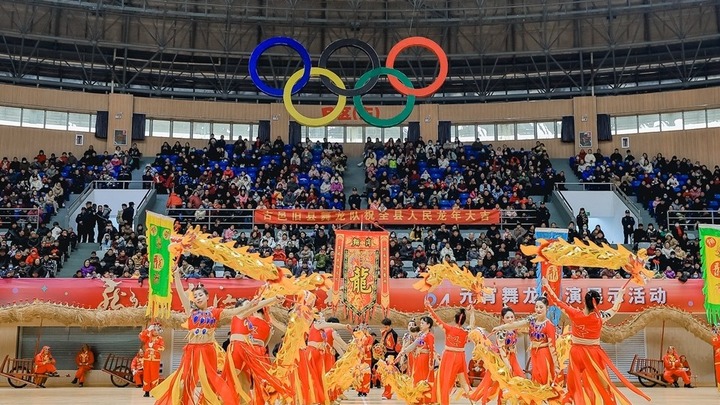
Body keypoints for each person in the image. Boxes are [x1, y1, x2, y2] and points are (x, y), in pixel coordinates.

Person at [542, 279, 651, 403]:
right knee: (604, 384)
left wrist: (547, 286)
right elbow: (614, 309)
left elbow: (557, 302)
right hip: (594, 353)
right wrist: (620, 294)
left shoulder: (574, 313)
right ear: (597, 303)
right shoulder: (600, 317)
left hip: (577, 353)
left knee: (574, 385)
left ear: (584, 301)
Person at [151, 270, 245, 404]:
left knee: (211, 379)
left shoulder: (215, 312)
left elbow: (234, 312)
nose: (198, 298)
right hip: (192, 350)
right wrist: (177, 275)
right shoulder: (191, 311)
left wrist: (250, 307)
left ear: (207, 296)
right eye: (195, 296)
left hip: (208, 350)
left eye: (200, 295)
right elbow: (180, 293)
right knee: (185, 380)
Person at [221, 296, 289, 405]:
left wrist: (269, 335)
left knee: (245, 382)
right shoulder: (239, 314)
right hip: (237, 349)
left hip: (247, 351)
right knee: (231, 379)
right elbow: (255, 307)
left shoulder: (249, 322)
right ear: (240, 308)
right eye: (247, 303)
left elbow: (262, 344)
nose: (251, 305)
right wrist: (273, 299)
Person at [493, 296, 558, 385]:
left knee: (544, 379)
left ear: (547, 308)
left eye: (541, 307)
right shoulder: (531, 320)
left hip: (544, 353)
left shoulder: (549, 325)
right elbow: (517, 324)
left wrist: (556, 365)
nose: (538, 309)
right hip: (533, 353)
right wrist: (500, 327)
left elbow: (552, 346)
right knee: (535, 379)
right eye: (536, 307)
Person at [471, 306, 524, 403]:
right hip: (501, 359)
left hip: (512, 357)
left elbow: (513, 342)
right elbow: (502, 349)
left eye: (512, 317)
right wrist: (507, 364)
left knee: (519, 378)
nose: (510, 319)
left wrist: (513, 349)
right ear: (503, 319)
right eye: (507, 318)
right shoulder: (501, 331)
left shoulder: (513, 329)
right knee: (500, 382)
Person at [426, 301, 474, 405]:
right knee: (464, 382)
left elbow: (436, 319)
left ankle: (442, 402)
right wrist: (472, 313)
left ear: (454, 319)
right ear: (464, 321)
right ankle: (473, 402)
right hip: (460, 357)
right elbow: (472, 326)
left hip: (449, 356)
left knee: (445, 380)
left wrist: (429, 307)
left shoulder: (448, 328)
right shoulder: (466, 332)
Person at [396, 315, 437, 404]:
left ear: (428, 325)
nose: (420, 325)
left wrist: (431, 363)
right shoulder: (422, 336)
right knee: (417, 379)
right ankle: (418, 400)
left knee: (425, 380)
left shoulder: (430, 336)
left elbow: (431, 350)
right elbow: (414, 345)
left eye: (423, 323)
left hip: (425, 361)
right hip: (418, 360)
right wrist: (402, 353)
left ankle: (426, 401)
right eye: (421, 323)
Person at [139, 322, 165, 398]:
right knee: (146, 375)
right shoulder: (147, 337)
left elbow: (162, 348)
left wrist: (154, 346)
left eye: (157, 330)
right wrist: (147, 330)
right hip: (147, 359)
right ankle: (146, 391)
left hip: (155, 360)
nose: (155, 331)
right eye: (154, 329)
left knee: (154, 375)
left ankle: (154, 391)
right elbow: (140, 336)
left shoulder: (160, 339)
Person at [380, 318, 400, 400]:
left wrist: (383, 347)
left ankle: (388, 393)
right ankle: (386, 392)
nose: (385, 328)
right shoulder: (385, 333)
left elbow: (394, 347)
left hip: (391, 356)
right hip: (386, 356)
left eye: (386, 327)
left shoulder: (393, 334)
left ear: (389, 326)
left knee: (389, 375)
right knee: (385, 375)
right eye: (384, 327)